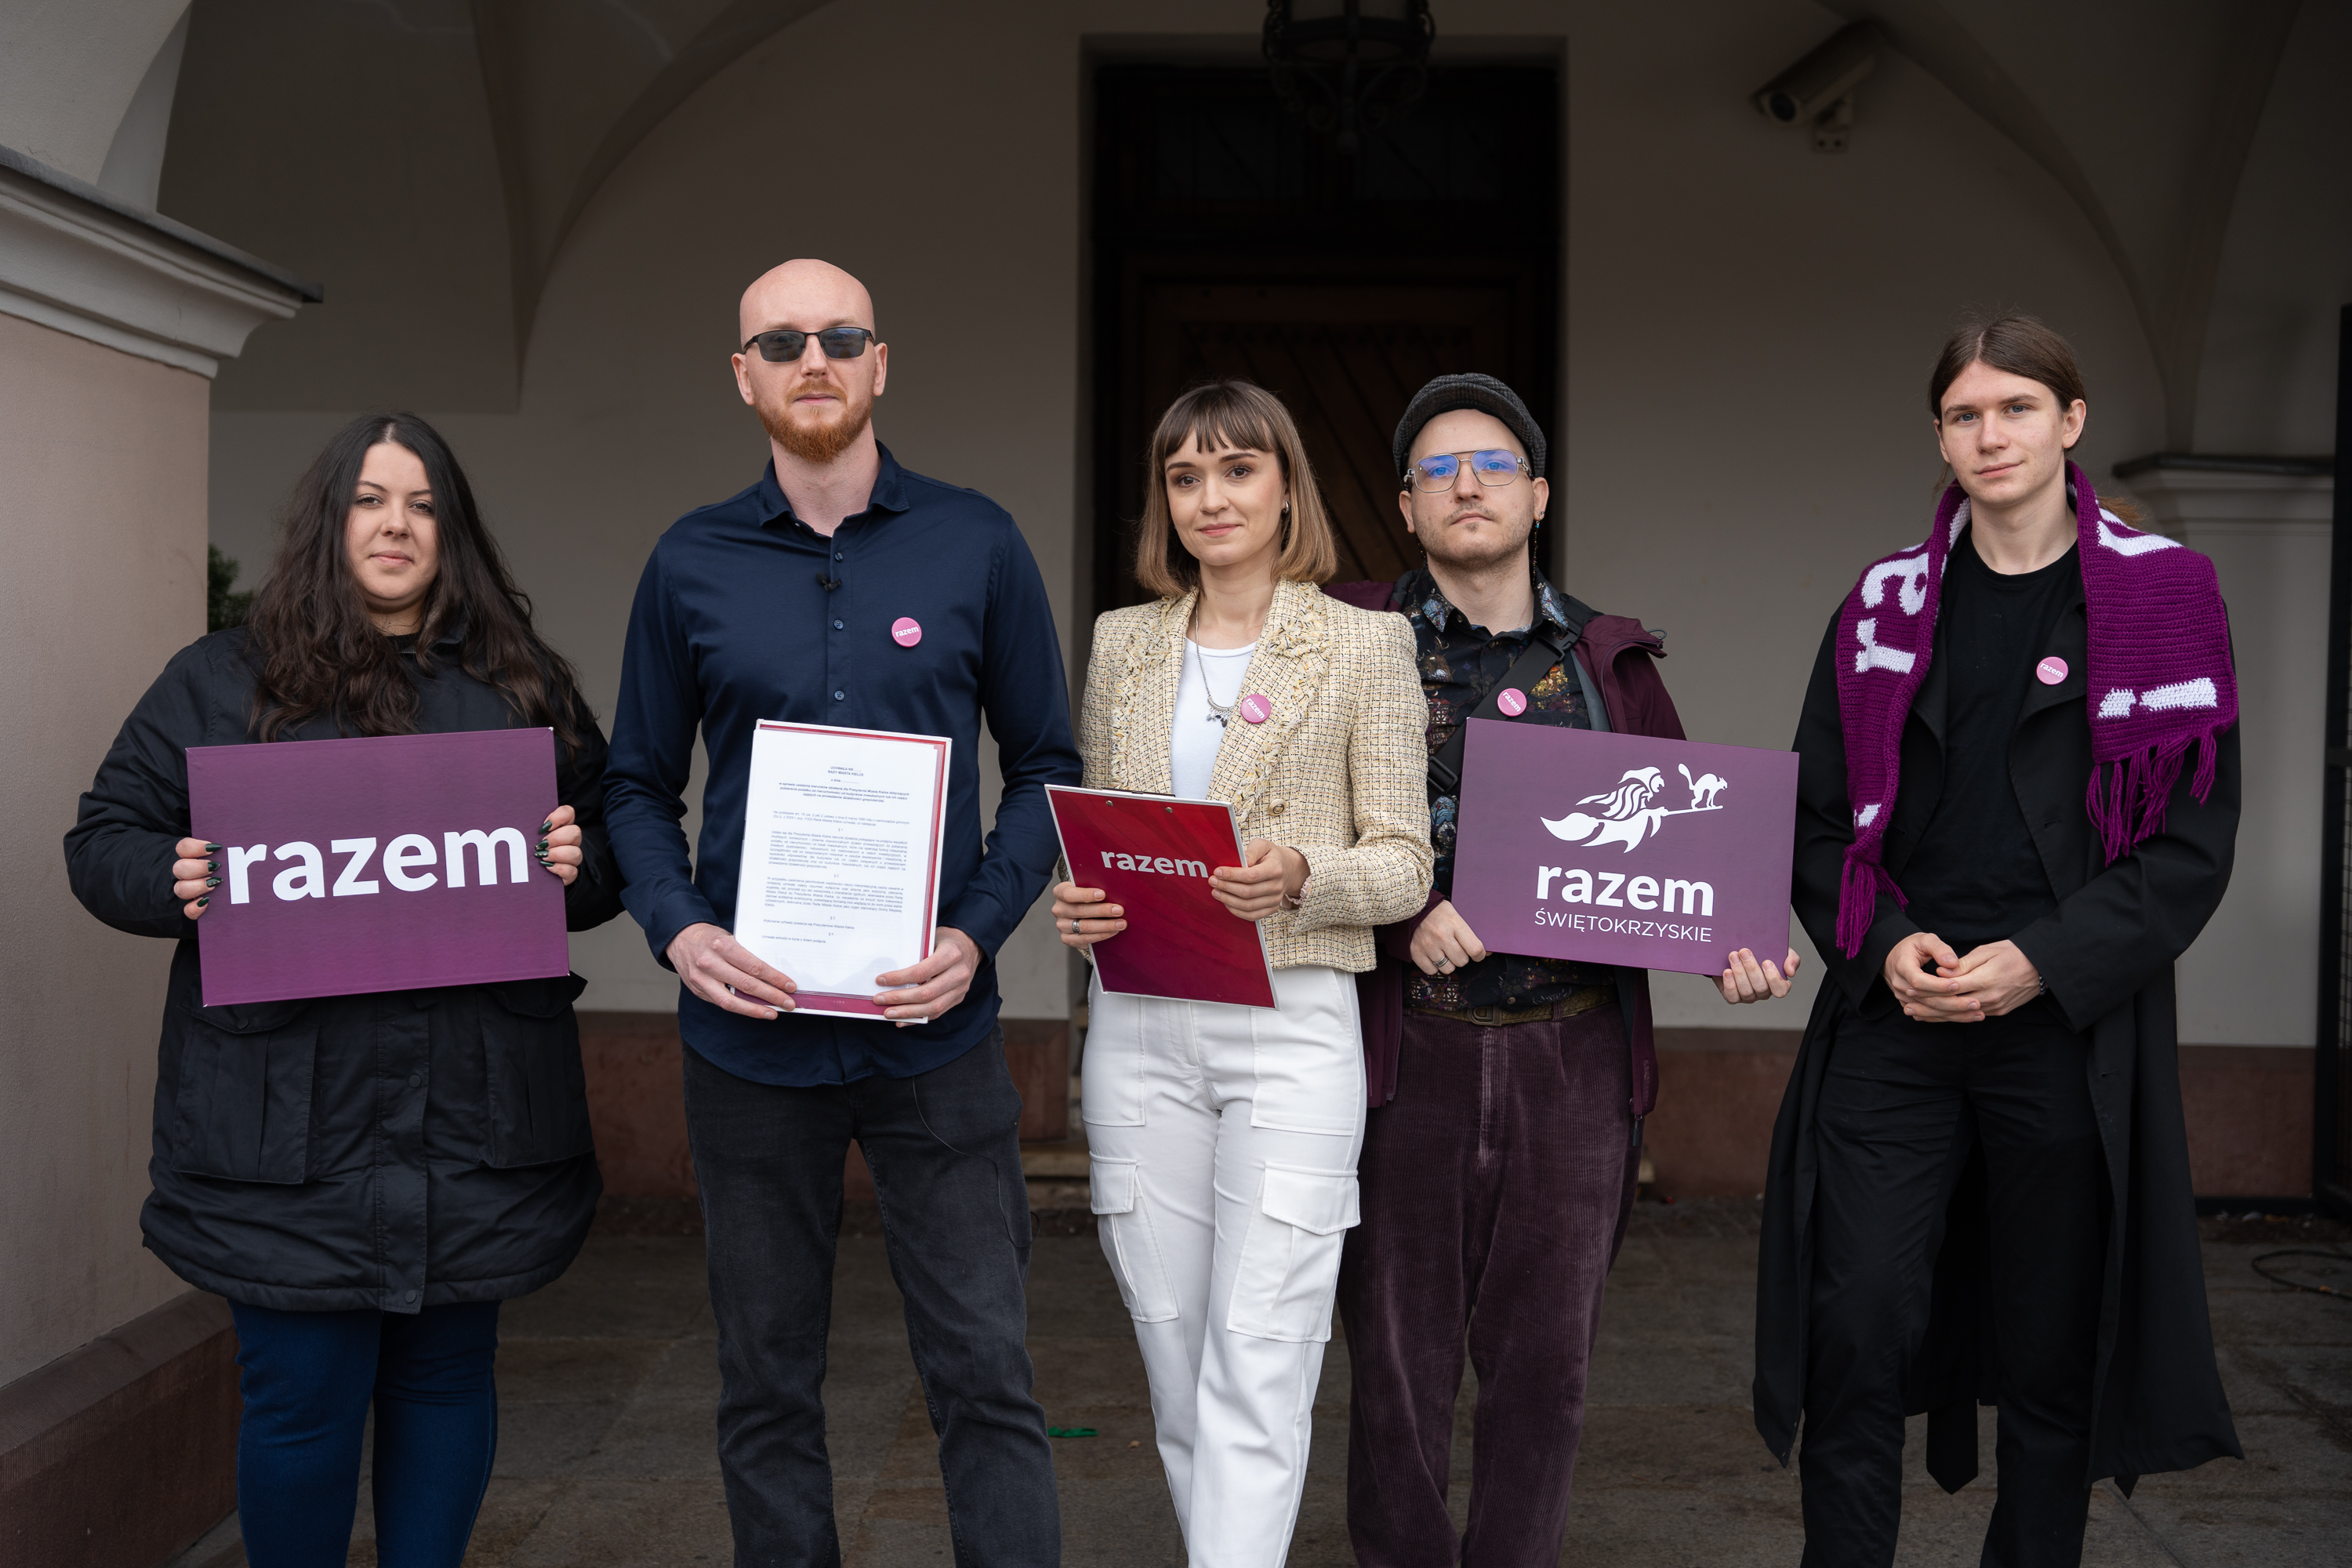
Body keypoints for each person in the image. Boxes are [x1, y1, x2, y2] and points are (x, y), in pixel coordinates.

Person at [63, 414, 621, 1568]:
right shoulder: (219, 679)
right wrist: (168, 877)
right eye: (371, 500)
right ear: (331, 521)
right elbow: (103, 839)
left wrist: (582, 864)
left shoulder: (522, 683)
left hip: (477, 1126)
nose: (396, 525)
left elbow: (615, 848)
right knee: (301, 1404)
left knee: (447, 1386)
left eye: (421, 504)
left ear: (450, 531)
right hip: (283, 1136)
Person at [603, 259, 1079, 1565]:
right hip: (747, 1040)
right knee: (764, 1387)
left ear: (881, 363)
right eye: (783, 341)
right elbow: (635, 783)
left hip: (934, 1034)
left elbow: (1050, 767)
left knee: (986, 1376)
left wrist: (975, 932)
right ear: (744, 374)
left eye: (841, 336)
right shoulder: (689, 560)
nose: (814, 358)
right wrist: (677, 926)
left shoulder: (977, 542)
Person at [1755, 314, 2244, 1566]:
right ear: (1941, 437)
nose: (1992, 434)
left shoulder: (2166, 598)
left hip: (2063, 1029)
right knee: (1853, 1322)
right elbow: (1812, 821)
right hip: (1897, 1015)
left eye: (2017, 408)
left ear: (2070, 422)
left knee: (2048, 1350)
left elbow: (2188, 850)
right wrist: (1887, 944)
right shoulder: (1881, 604)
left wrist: (2046, 960)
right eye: (1966, 414)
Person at [1321, 372, 1798, 1568]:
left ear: (1538, 495)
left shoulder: (1612, 666)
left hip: (1576, 1056)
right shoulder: (1348, 646)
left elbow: (1695, 841)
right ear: (1404, 506)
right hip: (1404, 1049)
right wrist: (1397, 920)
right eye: (1437, 470)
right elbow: (1293, 826)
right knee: (1392, 1362)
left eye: (1489, 464)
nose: (1464, 484)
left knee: (1548, 1369)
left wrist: (1736, 947)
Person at [1049, 379, 1432, 1566]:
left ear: (1285, 489)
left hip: (1291, 1023)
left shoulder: (1366, 642)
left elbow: (1408, 863)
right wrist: (1079, 900)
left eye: (1236, 471)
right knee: (1174, 1357)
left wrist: (1304, 873)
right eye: (1184, 477)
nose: (1210, 498)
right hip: (1140, 1023)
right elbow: (1110, 831)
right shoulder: (1125, 642)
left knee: (1262, 1352)